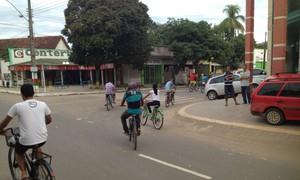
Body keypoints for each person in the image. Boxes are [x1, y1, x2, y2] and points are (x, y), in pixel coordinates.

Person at [0, 84, 52, 180]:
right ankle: (40, 164)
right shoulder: (43, 104)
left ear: (22, 94)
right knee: (37, 145)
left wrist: (0, 130)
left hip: (26, 140)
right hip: (43, 138)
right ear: (34, 92)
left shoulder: (17, 106)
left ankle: (23, 173)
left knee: (19, 152)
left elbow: (4, 123)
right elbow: (49, 120)